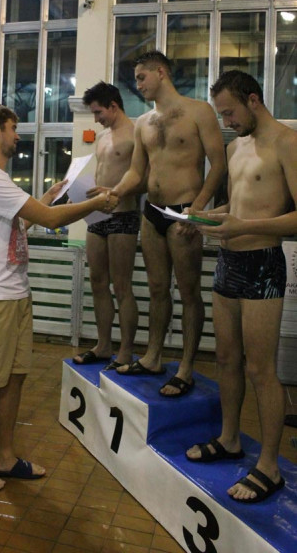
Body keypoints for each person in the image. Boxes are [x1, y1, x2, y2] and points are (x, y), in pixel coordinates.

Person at [0, 102, 118, 492]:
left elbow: (19, 221)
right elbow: (51, 220)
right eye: (12, 128)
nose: (17, 135)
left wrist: (47, 195)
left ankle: (4, 457)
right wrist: (97, 203)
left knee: (14, 379)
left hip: (14, 294)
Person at [186, 70, 297, 503]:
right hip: (229, 261)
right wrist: (207, 219)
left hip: (264, 264)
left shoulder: (287, 142)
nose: (226, 121)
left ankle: (269, 466)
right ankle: (230, 438)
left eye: (230, 112)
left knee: (260, 369)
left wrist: (245, 225)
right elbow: (237, 203)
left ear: (253, 100)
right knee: (227, 359)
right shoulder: (236, 147)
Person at [114, 51, 226, 397]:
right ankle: (152, 356)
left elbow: (219, 164)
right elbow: (137, 172)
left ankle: (187, 366)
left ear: (161, 72)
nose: (138, 85)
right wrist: (113, 192)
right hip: (153, 212)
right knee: (158, 288)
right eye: (136, 79)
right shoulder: (143, 122)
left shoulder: (198, 112)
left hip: (185, 212)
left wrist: (197, 208)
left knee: (189, 291)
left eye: (141, 78)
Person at [73, 82, 140, 370]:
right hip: (97, 215)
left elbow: (143, 178)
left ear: (114, 105)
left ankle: (125, 351)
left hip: (123, 214)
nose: (96, 118)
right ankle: (103, 346)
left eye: (99, 112)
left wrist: (115, 191)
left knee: (121, 286)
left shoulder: (137, 133)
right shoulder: (101, 138)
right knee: (98, 283)